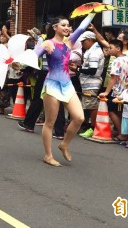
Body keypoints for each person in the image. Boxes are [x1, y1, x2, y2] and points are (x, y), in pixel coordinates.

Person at [35, 13, 98, 167]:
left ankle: (64, 144)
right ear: (55, 27)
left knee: (79, 118)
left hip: (67, 84)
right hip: (52, 84)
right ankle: (48, 155)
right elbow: (33, 56)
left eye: (68, 25)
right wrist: (20, 65)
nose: (67, 27)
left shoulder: (69, 43)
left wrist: (93, 11)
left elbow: (82, 27)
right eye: (63, 25)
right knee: (50, 122)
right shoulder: (47, 44)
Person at [98, 39, 128, 141]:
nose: (109, 50)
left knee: (112, 111)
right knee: (121, 112)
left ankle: (122, 133)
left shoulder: (116, 61)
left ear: (118, 48)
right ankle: (123, 132)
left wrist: (106, 92)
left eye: (111, 48)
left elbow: (113, 78)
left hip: (118, 90)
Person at [76, 31, 104, 138]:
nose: (82, 44)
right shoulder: (91, 50)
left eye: (83, 42)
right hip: (88, 83)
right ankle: (88, 126)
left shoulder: (94, 52)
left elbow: (92, 70)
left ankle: (92, 128)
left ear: (89, 40)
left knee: (92, 106)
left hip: (92, 83)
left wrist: (78, 69)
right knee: (89, 105)